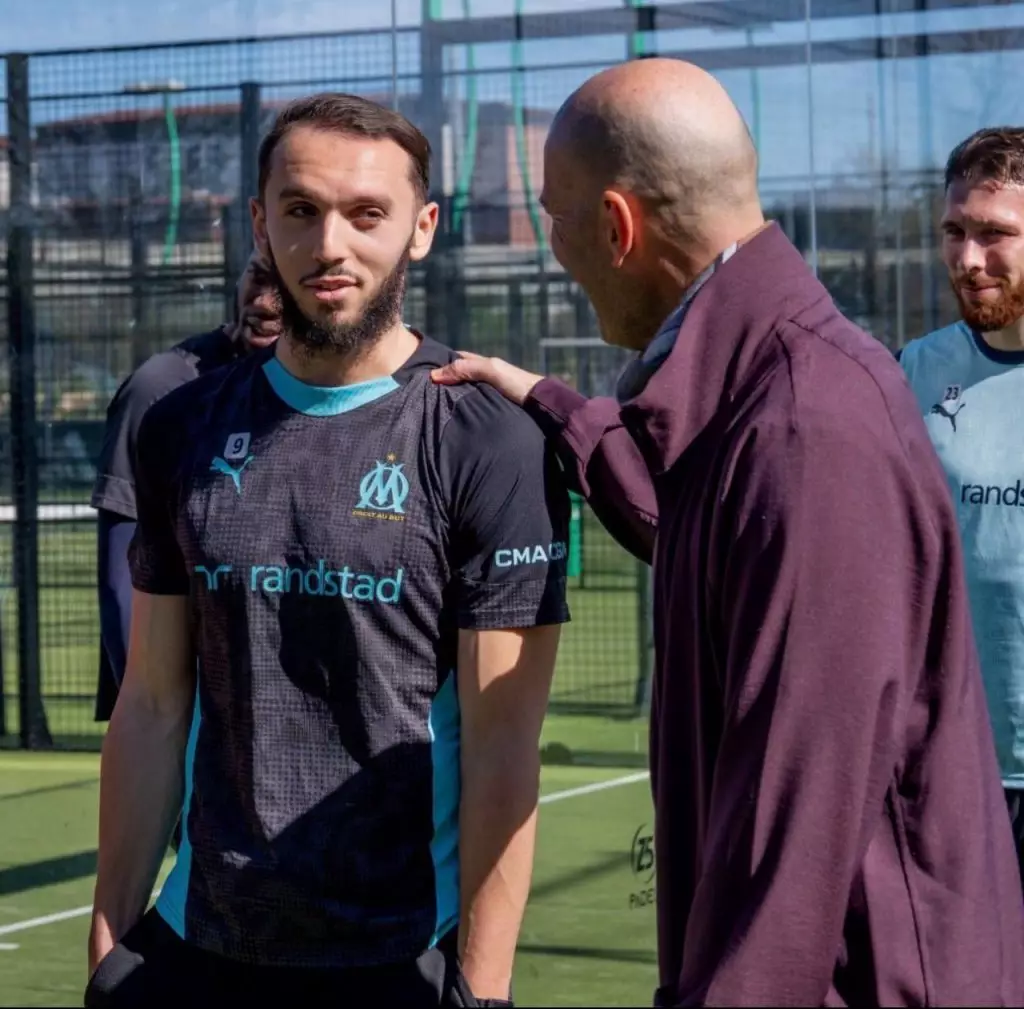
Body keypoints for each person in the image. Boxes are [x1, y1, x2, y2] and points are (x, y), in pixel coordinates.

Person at [431, 60, 1024, 1006]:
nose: (554, 246)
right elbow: (697, 533)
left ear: (618, 227)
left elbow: (788, 837)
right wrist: (552, 404)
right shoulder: (761, 399)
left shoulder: (802, 427)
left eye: (555, 215)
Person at [85, 92, 568, 1008]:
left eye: (366, 213)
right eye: (301, 211)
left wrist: (485, 989)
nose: (331, 245)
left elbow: (505, 742)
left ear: (421, 229)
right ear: (263, 224)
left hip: (399, 960)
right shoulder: (181, 425)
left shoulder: (485, 436)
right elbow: (151, 700)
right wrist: (111, 942)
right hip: (195, 950)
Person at [898, 126, 1024, 887]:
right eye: (955, 231)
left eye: (996, 234)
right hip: (952, 776)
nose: (968, 259)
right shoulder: (914, 370)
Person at [91, 261, 281, 722]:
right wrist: (155, 719)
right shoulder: (163, 389)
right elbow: (123, 579)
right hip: (191, 718)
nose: (262, 301)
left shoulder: (336, 390)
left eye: (279, 284)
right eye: (256, 276)